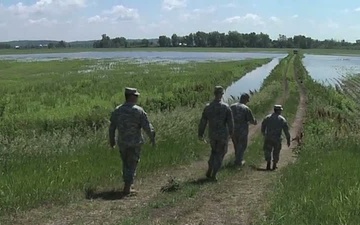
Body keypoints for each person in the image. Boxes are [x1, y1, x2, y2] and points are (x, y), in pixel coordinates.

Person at [109, 87, 156, 195]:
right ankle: (127, 187)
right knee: (133, 163)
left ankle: (128, 184)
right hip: (135, 142)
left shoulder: (118, 110)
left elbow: (112, 127)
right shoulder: (138, 110)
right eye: (136, 96)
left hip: (122, 142)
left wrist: (112, 140)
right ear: (131, 97)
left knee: (126, 163)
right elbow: (147, 127)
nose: (137, 98)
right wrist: (152, 138)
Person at [198, 86, 234, 181]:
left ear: (214, 94)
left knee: (214, 152)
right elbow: (230, 122)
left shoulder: (208, 107)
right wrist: (231, 133)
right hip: (222, 135)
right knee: (220, 153)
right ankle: (214, 174)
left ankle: (210, 167)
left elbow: (203, 122)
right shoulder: (226, 107)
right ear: (222, 94)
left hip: (212, 134)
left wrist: (200, 134)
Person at [230, 93, 257, 167]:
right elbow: (252, 120)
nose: (247, 102)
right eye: (247, 100)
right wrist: (255, 122)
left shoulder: (232, 106)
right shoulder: (246, 108)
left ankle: (237, 159)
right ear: (245, 99)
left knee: (236, 144)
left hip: (232, 129)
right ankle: (239, 161)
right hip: (242, 130)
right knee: (242, 145)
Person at [261, 105, 291, 171]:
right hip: (277, 138)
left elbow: (263, 126)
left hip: (268, 137)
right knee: (276, 152)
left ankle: (268, 163)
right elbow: (286, 130)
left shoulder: (267, 117)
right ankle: (274, 164)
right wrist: (288, 139)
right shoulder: (282, 119)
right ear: (279, 111)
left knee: (268, 151)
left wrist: (263, 133)